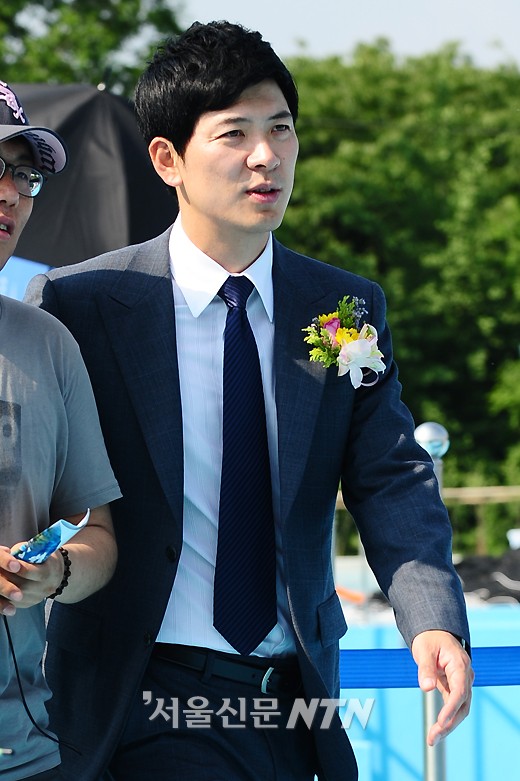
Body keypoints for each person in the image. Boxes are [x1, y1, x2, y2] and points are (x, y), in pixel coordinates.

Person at [24, 21, 473, 781]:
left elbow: (390, 477)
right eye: (234, 134)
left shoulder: (343, 308)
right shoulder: (83, 304)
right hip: (140, 695)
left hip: (296, 701)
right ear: (167, 159)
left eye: (282, 129)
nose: (266, 155)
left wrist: (432, 620)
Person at [0, 82, 121, 780]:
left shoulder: (50, 344)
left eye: (26, 174)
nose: (12, 193)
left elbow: (97, 533)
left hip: (26, 756)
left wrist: (55, 573)